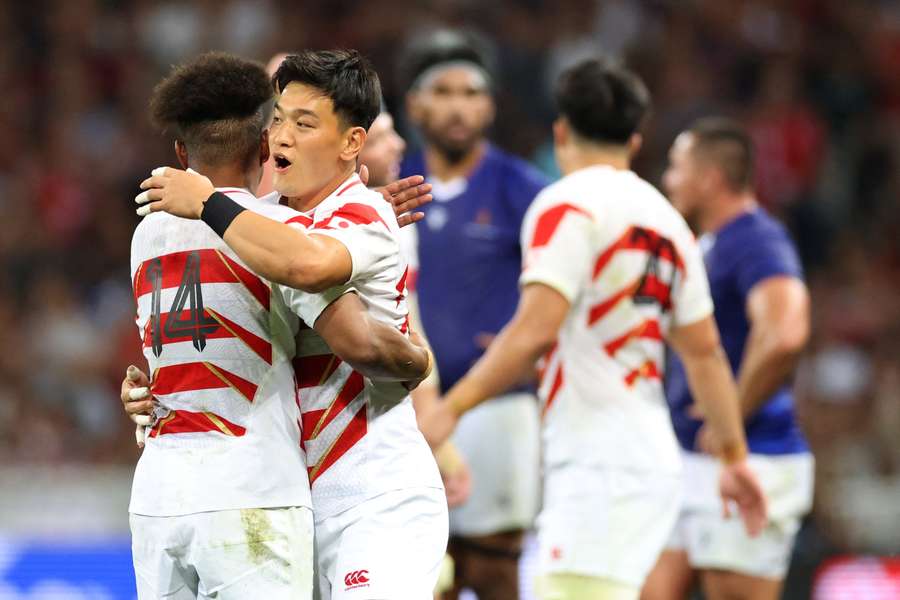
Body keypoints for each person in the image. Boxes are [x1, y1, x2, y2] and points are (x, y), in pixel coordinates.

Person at [417, 58, 768, 600]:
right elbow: (705, 355)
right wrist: (734, 457)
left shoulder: (564, 206)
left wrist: (449, 409)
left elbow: (534, 330)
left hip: (598, 463)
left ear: (560, 130)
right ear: (635, 138)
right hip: (651, 460)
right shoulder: (667, 220)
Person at [135, 49, 448, 600]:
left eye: (303, 124)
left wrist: (413, 360)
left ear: (351, 144)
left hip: (372, 493)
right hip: (299, 491)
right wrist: (159, 388)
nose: (282, 135)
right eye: (277, 119)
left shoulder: (356, 216)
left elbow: (310, 267)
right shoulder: (276, 223)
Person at [397, 29, 549, 600]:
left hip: (496, 405)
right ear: (415, 104)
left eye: (471, 92)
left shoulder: (523, 190)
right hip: (408, 405)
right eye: (443, 90)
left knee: (493, 570)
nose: (458, 105)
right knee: (419, 572)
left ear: (489, 105)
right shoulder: (394, 188)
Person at [641, 117, 813, 600]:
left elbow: (785, 332)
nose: (669, 179)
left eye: (677, 167)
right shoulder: (711, 243)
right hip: (690, 458)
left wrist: (730, 416)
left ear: (710, 178)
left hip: (754, 456)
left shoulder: (757, 238)